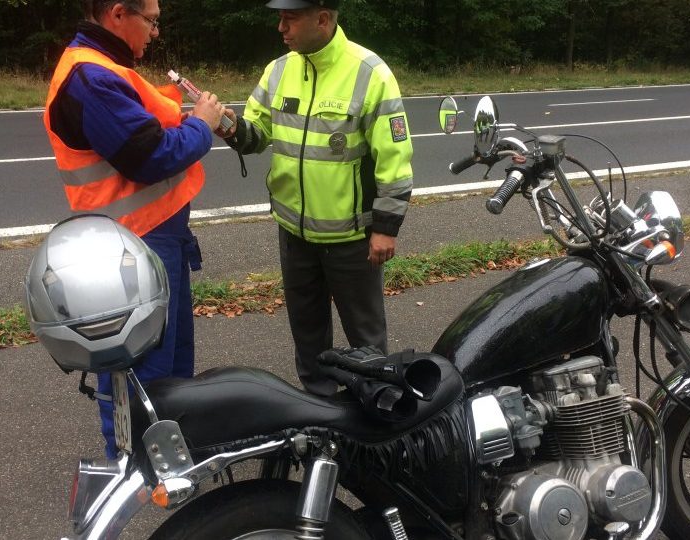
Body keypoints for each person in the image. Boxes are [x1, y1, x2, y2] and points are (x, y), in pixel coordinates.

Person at [42, 0, 227, 458]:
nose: (156, 32)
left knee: (172, 358)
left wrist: (177, 115)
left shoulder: (108, 67)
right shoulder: (91, 77)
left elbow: (144, 124)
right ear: (118, 13)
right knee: (137, 362)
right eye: (152, 21)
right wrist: (201, 126)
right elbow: (149, 158)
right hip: (133, 242)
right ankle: (135, 462)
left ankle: (172, 448)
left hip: (157, 235)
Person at [222, 0, 414, 396]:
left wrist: (386, 227)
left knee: (366, 341)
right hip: (294, 234)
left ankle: (374, 423)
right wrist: (228, 126)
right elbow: (257, 134)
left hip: (352, 240)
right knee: (308, 339)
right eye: (279, 18)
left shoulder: (370, 73)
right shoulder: (278, 71)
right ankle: (320, 417)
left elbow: (395, 160)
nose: (281, 28)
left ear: (322, 19)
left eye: (289, 18)